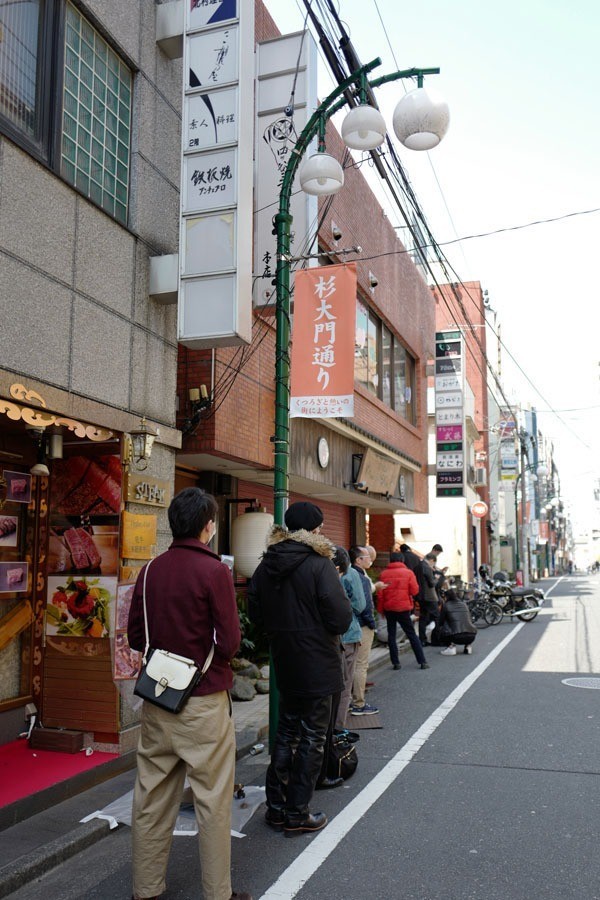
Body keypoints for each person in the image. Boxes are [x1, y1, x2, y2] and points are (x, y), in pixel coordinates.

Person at [127, 487, 251, 900]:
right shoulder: (214, 571)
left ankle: (145, 890)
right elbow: (230, 642)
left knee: (151, 798)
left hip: (158, 698)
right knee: (212, 800)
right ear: (208, 525)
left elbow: (134, 636)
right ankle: (218, 893)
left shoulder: (149, 571)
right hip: (204, 700)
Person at [247, 501, 351, 837]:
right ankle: (297, 812)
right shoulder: (319, 565)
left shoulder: (266, 565)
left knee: (286, 733)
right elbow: (340, 616)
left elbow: (256, 616)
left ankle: (276, 808)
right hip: (319, 661)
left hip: (285, 660)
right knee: (313, 737)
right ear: (314, 530)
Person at [376, 551, 429, 670]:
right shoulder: (408, 573)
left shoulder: (384, 574)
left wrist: (381, 610)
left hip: (389, 608)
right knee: (411, 634)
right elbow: (415, 591)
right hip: (404, 608)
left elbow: (380, 594)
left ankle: (396, 663)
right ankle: (422, 661)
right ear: (402, 560)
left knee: (391, 634)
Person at [336, 547, 367, 727]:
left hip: (325, 636)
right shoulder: (351, 573)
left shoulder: (319, 570)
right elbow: (359, 605)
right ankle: (338, 727)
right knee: (345, 685)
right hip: (348, 633)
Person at [349, 546, 379, 716]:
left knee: (348, 664)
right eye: (367, 557)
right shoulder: (362, 578)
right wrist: (371, 623)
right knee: (360, 664)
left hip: (348, 625)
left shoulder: (345, 574)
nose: (370, 560)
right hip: (362, 625)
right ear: (358, 560)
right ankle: (358, 703)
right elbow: (365, 606)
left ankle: (346, 701)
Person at [437, 588, 477, 655]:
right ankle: (468, 646)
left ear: (447, 597)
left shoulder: (446, 606)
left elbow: (441, 621)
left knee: (444, 624)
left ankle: (451, 647)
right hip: (471, 636)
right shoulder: (464, 604)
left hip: (456, 637)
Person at [418, 552, 445, 646]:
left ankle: (422, 640)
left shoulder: (418, 565)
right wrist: (436, 578)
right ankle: (436, 639)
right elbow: (432, 583)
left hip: (420, 596)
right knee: (437, 616)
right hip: (429, 596)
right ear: (432, 560)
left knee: (423, 617)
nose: (433, 565)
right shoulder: (427, 567)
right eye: (434, 563)